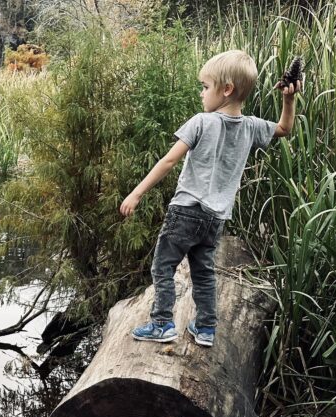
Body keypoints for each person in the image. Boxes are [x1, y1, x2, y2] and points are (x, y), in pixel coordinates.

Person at [121, 50, 302, 348]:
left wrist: (136, 193)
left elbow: (169, 161)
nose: (201, 93)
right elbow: (284, 128)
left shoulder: (201, 122)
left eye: (205, 87)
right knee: (204, 272)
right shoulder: (251, 126)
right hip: (215, 218)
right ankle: (206, 328)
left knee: (163, 267)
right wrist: (289, 99)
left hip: (186, 210)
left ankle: (162, 323)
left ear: (226, 89)